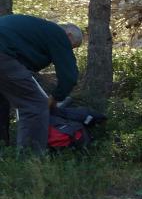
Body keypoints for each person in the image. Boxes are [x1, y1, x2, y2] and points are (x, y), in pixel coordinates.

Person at [0, 14, 82, 153]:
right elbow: (69, 76)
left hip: (5, 52)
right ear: (68, 35)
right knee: (36, 106)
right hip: (3, 54)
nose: (69, 50)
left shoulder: (38, 31)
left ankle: (3, 153)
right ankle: (30, 160)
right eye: (71, 47)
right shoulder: (58, 34)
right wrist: (56, 97)